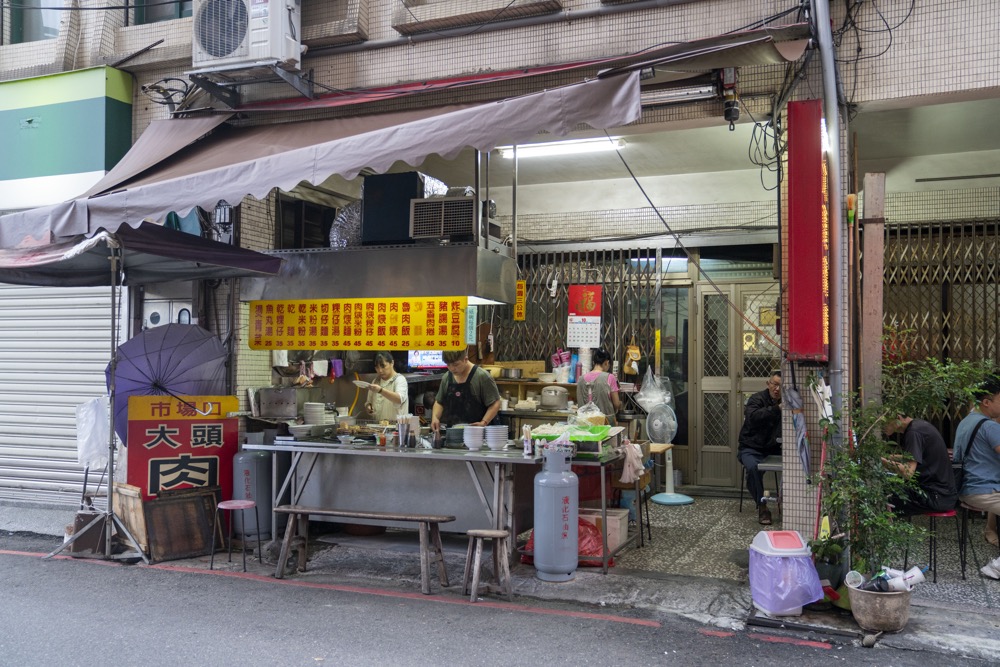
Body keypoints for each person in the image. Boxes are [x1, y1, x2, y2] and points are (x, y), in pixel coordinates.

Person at [953, 374, 1000, 578]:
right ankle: (997, 566)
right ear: (987, 402)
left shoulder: (966, 422)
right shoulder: (990, 426)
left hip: (966, 489)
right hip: (983, 491)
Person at [881, 416, 957, 514]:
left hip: (935, 496)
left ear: (898, 417)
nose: (882, 427)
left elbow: (908, 473)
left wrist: (881, 461)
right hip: (944, 495)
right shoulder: (919, 426)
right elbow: (914, 457)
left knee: (880, 494)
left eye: (884, 422)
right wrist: (888, 457)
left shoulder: (913, 432)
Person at [737, 371, 782, 525]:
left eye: (781, 386)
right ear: (768, 384)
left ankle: (786, 502)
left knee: (794, 465)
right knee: (753, 468)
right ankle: (762, 507)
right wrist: (776, 409)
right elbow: (753, 418)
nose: (777, 389)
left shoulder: (787, 402)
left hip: (774, 448)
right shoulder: (756, 399)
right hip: (750, 447)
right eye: (774, 384)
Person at [431, 348, 502, 432]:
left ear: (465, 359)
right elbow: (439, 402)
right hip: (454, 432)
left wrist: (484, 422)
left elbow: (495, 403)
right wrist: (435, 418)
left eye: (455, 364)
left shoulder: (482, 376)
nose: (452, 369)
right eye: (448, 365)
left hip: (479, 433)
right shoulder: (447, 377)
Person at [576, 348, 622, 426]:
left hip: (584, 425)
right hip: (605, 424)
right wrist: (621, 403)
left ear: (594, 362)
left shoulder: (580, 379)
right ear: (607, 363)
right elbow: (616, 404)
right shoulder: (610, 377)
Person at [365, 352, 408, 422]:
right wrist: (368, 407)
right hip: (378, 426)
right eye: (377, 367)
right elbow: (368, 402)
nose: (380, 370)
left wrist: (381, 390)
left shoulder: (400, 379)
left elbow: (399, 399)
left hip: (396, 427)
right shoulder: (376, 381)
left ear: (392, 363)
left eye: (383, 366)